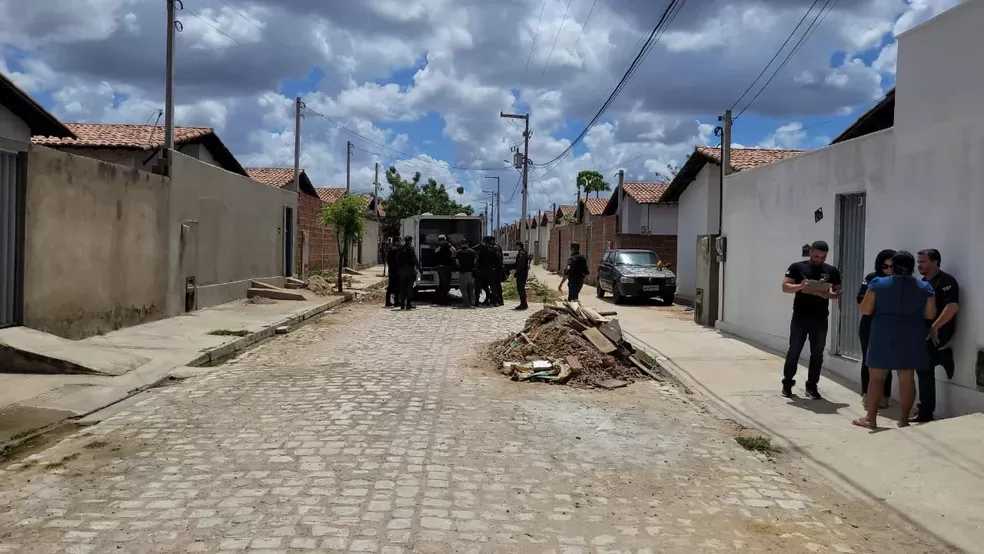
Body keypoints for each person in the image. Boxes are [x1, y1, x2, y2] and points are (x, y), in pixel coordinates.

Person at [853, 251, 936, 429]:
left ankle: (871, 419)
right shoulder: (925, 287)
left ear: (893, 266)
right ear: (912, 267)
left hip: (882, 334)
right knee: (906, 377)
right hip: (912, 335)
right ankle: (904, 420)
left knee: (876, 378)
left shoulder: (877, 283)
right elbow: (930, 314)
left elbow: (866, 310)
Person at [780, 240, 842, 400]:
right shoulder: (797, 267)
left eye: (823, 257)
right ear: (810, 252)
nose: (819, 259)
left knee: (817, 354)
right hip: (800, 317)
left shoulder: (832, 271)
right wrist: (801, 286)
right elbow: (785, 287)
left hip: (820, 318)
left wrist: (828, 294)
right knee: (794, 351)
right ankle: (787, 383)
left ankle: (812, 386)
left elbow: (838, 292)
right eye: (816, 256)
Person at [912, 249, 960, 423]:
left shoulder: (947, 281)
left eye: (923, 262)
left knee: (923, 366)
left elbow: (952, 307)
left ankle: (925, 412)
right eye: (918, 262)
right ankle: (942, 357)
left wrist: (935, 327)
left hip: (941, 330)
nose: (919, 265)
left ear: (935, 262)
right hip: (925, 331)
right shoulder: (923, 282)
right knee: (923, 363)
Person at [857, 249, 896, 409]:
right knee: (868, 360)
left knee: (887, 362)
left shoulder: (900, 281)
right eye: (885, 266)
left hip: (890, 326)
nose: (888, 269)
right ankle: (866, 394)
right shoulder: (872, 278)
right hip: (870, 324)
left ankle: (885, 396)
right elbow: (859, 298)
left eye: (891, 266)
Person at [395, 235, 420, 310]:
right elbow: (414, 259)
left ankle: (402, 304)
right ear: (410, 241)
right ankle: (408, 303)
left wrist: (398, 269)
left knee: (402, 286)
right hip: (409, 269)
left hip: (402, 269)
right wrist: (419, 268)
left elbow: (397, 259)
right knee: (409, 286)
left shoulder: (400, 248)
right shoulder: (411, 248)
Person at [455, 239, 478, 308]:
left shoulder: (458, 252)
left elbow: (457, 263)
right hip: (471, 273)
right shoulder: (473, 252)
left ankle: (466, 303)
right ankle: (472, 303)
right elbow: (475, 262)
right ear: (468, 244)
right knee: (471, 289)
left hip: (463, 273)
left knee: (463, 289)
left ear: (461, 244)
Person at [477, 237, 499, 307]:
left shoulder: (481, 250)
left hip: (483, 271)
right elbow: (497, 260)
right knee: (492, 286)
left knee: (483, 286)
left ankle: (478, 301)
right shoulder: (493, 250)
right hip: (491, 270)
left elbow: (479, 260)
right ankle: (494, 302)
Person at [434, 234, 455, 305]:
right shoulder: (448, 246)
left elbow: (435, 253)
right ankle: (444, 301)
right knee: (446, 284)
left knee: (441, 284)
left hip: (439, 267)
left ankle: (437, 299)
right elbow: (454, 251)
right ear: (445, 239)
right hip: (446, 267)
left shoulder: (438, 248)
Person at [384, 237, 402, 308]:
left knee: (391, 286)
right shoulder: (394, 249)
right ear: (396, 242)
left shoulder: (391, 249)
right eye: (399, 241)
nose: (400, 243)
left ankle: (388, 301)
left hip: (391, 270)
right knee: (396, 286)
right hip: (394, 270)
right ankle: (396, 301)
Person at [514, 241, 530, 310]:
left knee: (521, 288)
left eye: (516, 246)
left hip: (521, 273)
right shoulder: (524, 252)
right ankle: (524, 303)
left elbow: (520, 264)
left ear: (519, 246)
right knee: (521, 288)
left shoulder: (521, 253)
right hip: (523, 273)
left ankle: (523, 304)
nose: (516, 247)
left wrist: (517, 272)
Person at [490, 237, 505, 306]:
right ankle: (500, 300)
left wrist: (494, 267)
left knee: (494, 286)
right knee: (498, 285)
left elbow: (497, 258)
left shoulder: (494, 248)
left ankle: (495, 301)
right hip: (498, 269)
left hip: (496, 269)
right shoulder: (498, 247)